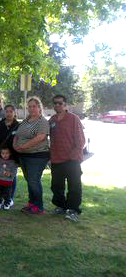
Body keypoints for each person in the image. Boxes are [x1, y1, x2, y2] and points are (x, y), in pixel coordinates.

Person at [49, 94, 85, 222]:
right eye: (55, 103)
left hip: (72, 160)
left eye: (60, 103)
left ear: (65, 105)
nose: (57, 105)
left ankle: (73, 210)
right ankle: (61, 206)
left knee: (74, 186)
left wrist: (74, 156)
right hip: (56, 159)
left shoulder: (74, 118)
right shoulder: (52, 120)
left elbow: (81, 140)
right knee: (56, 186)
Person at [14, 96, 50, 215]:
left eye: (34, 106)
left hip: (38, 155)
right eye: (29, 106)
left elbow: (41, 137)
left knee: (34, 180)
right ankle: (32, 203)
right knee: (30, 180)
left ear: (39, 107)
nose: (31, 108)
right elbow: (17, 134)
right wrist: (15, 144)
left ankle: (39, 206)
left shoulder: (42, 121)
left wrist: (23, 146)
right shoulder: (26, 120)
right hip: (24, 155)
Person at [0, 104, 20, 206]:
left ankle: (10, 198)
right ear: (4, 113)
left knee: (12, 177)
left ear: (14, 113)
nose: (9, 113)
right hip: (0, 156)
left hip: (13, 157)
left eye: (11, 111)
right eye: (7, 111)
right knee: (0, 176)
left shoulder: (18, 126)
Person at [0, 146, 18, 210]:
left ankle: (7, 203)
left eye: (7, 153)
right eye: (3, 153)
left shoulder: (13, 162)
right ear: (0, 154)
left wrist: (10, 174)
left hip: (8, 182)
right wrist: (2, 173)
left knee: (8, 193)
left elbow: (14, 171)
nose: (5, 155)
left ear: (10, 153)